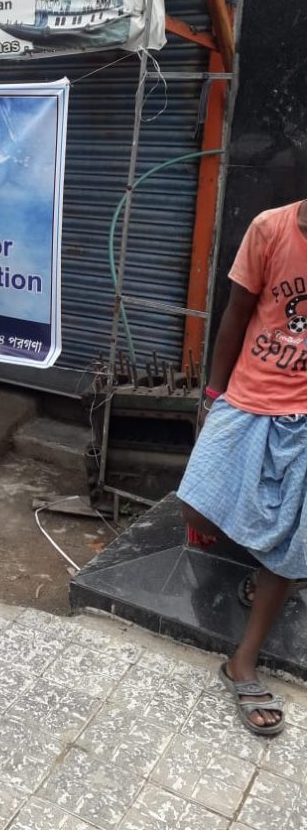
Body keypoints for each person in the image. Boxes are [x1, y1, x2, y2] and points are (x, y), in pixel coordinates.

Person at [179, 199, 307, 737]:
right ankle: (265, 560)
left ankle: (243, 662)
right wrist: (213, 394)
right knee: (196, 506)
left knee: (293, 543)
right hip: (250, 395)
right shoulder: (270, 229)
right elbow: (235, 312)